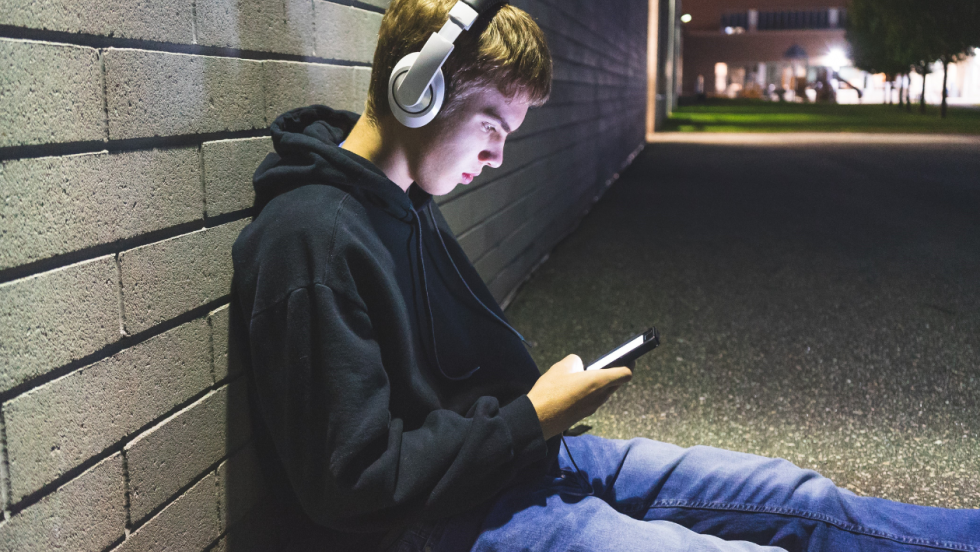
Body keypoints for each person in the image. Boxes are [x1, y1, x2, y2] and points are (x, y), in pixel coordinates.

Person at [230, 1, 980, 551]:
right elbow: (352, 484)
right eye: (493, 125)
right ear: (416, 91)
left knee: (799, 497)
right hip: (444, 523)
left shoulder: (403, 202)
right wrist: (531, 415)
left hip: (517, 460)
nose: (496, 157)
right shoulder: (312, 242)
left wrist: (531, 420)